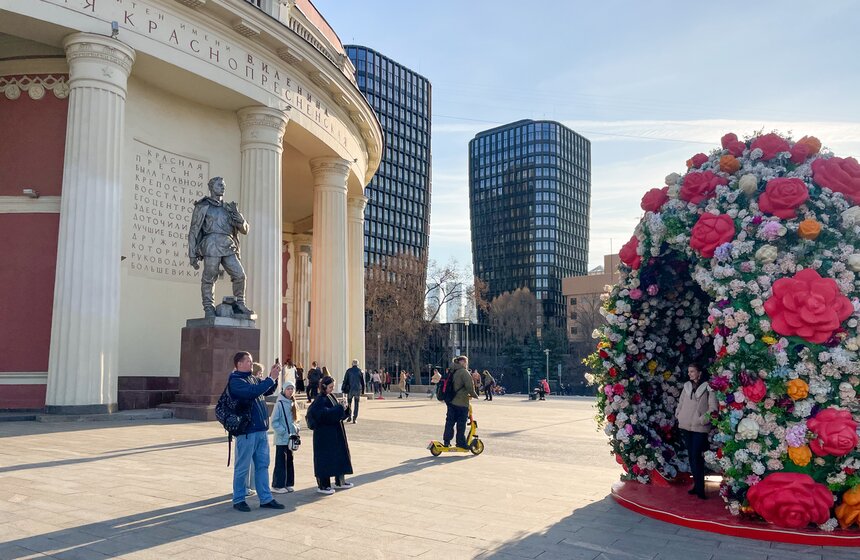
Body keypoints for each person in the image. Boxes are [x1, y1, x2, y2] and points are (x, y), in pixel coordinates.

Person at [187, 176, 253, 318]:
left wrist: (239, 217)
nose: (223, 187)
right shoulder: (203, 206)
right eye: (219, 185)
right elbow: (194, 230)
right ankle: (208, 307)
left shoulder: (229, 208)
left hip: (228, 245)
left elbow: (245, 230)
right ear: (211, 187)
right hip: (211, 244)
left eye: (223, 185)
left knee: (240, 275)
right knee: (209, 277)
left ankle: (240, 303)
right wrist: (192, 253)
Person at [228, 352, 285, 512]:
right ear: (239, 364)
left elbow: (265, 390)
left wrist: (273, 377)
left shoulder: (251, 378)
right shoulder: (236, 381)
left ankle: (265, 498)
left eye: (251, 361)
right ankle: (238, 499)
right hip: (246, 431)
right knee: (243, 467)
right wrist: (270, 378)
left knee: (262, 465)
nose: (251, 363)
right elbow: (253, 392)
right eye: (248, 361)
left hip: (260, 430)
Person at [675, 364, 717, 500]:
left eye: (692, 371)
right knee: (692, 456)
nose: (690, 374)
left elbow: (713, 408)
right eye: (689, 371)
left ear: (699, 372)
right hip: (686, 425)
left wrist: (702, 420)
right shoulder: (687, 386)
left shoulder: (708, 388)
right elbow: (681, 403)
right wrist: (679, 415)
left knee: (696, 455)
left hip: (699, 427)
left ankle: (700, 488)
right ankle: (697, 485)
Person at [307, 376, 354, 495]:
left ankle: (340, 481)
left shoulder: (330, 396)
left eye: (333, 386)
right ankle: (323, 485)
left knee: (339, 456)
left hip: (335, 433)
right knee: (325, 459)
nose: (332, 389)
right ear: (324, 387)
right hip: (324, 436)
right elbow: (322, 415)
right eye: (330, 387)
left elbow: (337, 414)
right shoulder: (320, 399)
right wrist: (339, 409)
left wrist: (345, 409)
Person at [442, 356, 478, 449]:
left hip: (450, 401)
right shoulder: (464, 372)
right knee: (461, 424)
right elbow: (470, 387)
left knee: (449, 422)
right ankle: (461, 442)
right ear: (462, 362)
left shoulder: (451, 371)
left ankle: (446, 441)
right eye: (466, 362)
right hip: (461, 402)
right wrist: (475, 395)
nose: (466, 364)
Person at [271, 381, 299, 494]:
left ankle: (288, 483)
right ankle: (277, 485)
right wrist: (283, 431)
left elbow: (296, 419)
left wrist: (296, 429)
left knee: (289, 461)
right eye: (288, 389)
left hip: (291, 438)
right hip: (282, 438)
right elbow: (274, 421)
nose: (290, 391)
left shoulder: (293, 403)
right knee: (281, 461)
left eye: (292, 389)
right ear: (283, 390)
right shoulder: (279, 403)